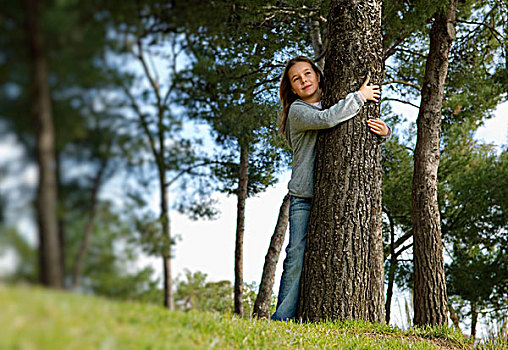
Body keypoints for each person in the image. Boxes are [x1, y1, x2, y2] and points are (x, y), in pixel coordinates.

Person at [271, 56, 390, 321]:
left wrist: (384, 132)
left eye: (307, 73)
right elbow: (327, 120)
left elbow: (352, 127)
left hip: (333, 196)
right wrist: (359, 97)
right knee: (297, 255)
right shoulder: (298, 111)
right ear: (291, 88)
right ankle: (282, 319)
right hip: (304, 197)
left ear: (317, 74)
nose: (304, 80)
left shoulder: (337, 100)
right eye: (296, 79)